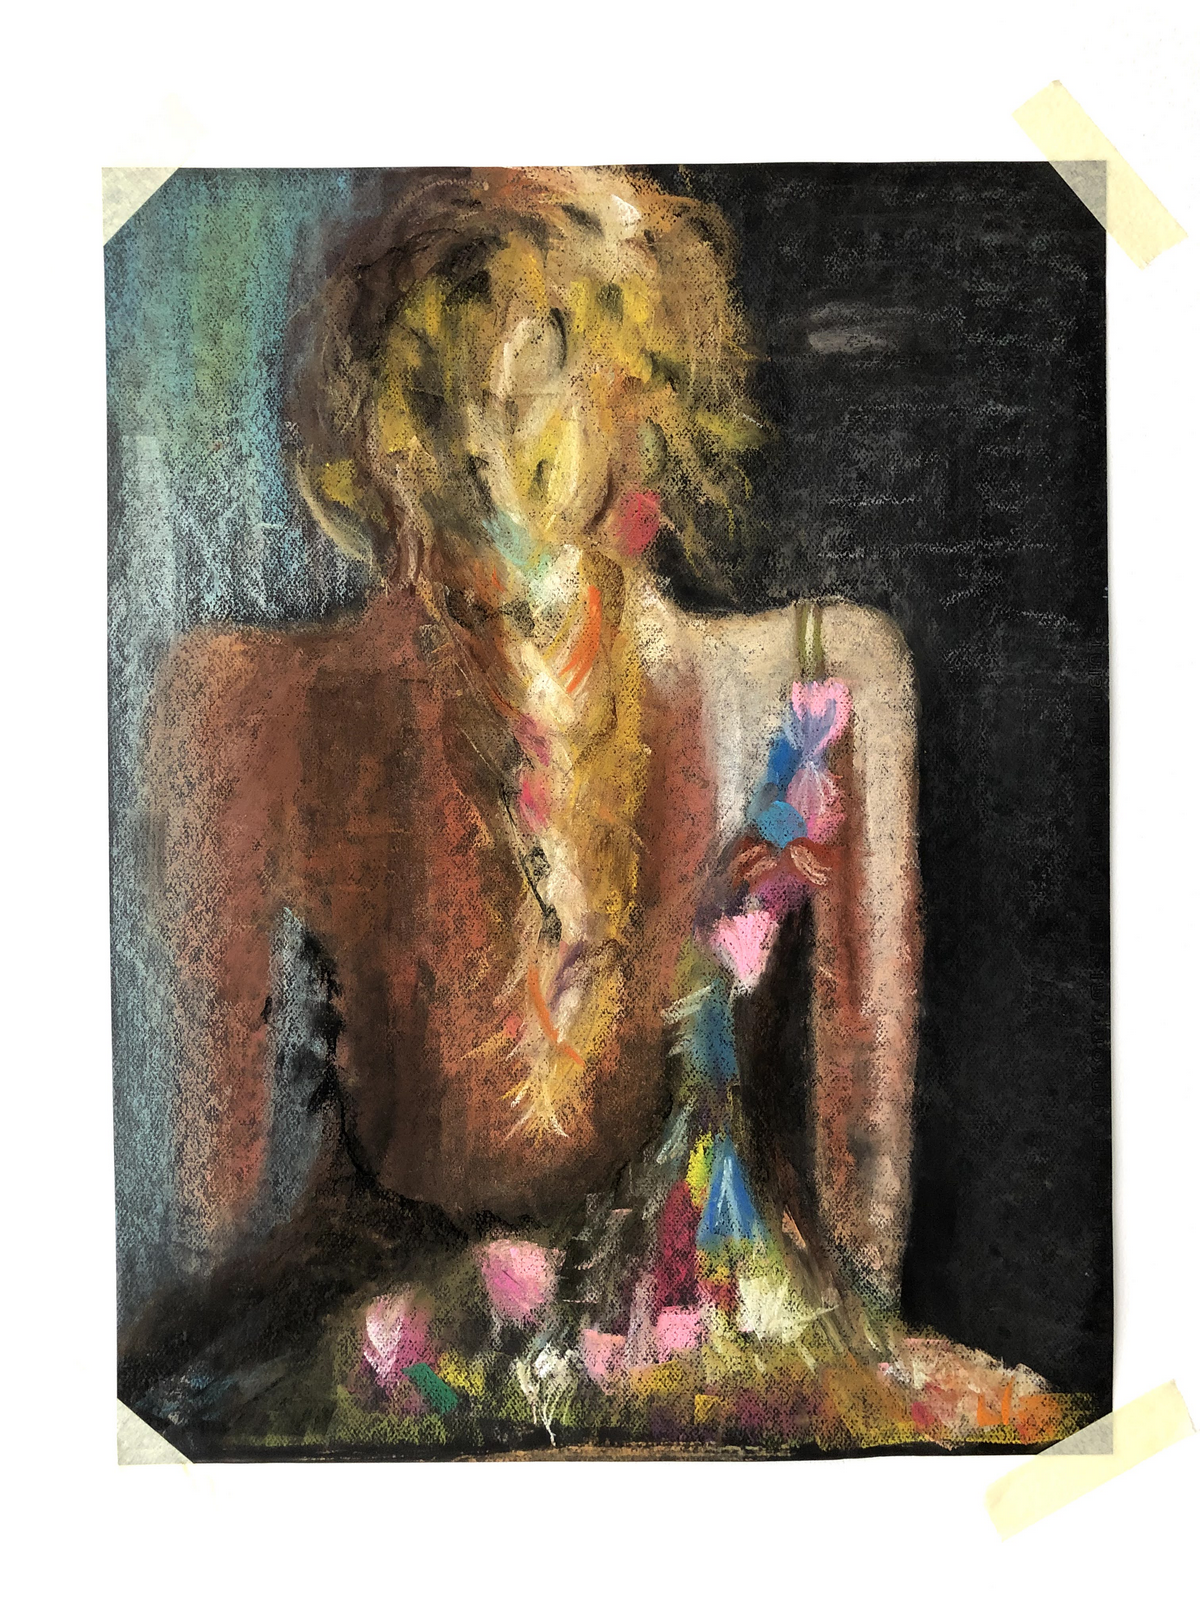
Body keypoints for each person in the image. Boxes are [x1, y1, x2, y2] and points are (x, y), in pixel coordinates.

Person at [122, 167, 1077, 1456]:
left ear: (630, 399)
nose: (480, 451)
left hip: (727, 1353)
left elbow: (861, 1210)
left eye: (527, 393)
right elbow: (214, 1209)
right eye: (435, 405)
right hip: (385, 1357)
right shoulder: (249, 705)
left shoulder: (824, 685)